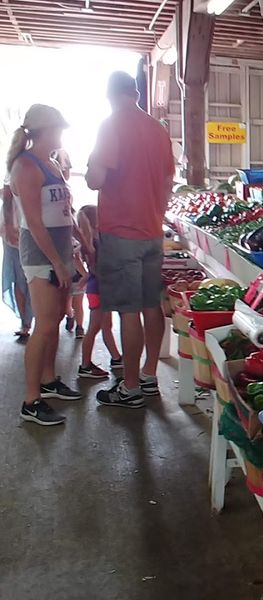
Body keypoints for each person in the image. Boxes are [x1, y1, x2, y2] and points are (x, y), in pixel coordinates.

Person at [86, 71, 173, 409]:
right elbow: (167, 181)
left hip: (121, 233)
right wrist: (156, 213)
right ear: (135, 93)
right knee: (152, 304)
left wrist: (91, 162)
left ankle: (131, 387)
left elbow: (95, 179)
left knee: (128, 311)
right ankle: (150, 376)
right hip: (152, 231)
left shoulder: (111, 125)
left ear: (110, 94)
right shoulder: (158, 129)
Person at [7, 104, 83, 426]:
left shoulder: (51, 163)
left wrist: (80, 244)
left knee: (52, 325)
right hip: (41, 257)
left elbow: (65, 209)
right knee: (46, 325)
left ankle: (49, 380)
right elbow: (35, 223)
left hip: (60, 253)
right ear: (44, 131)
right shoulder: (26, 166)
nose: (62, 134)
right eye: (58, 129)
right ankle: (30, 399)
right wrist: (57, 262)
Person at [76, 205, 122, 379]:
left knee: (105, 325)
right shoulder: (98, 241)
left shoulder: (90, 242)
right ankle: (85, 364)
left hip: (97, 288)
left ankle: (116, 357)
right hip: (100, 288)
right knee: (95, 327)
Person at [2, 175, 33, 338]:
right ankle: (25, 321)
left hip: (30, 231)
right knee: (20, 279)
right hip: (16, 232)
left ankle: (28, 320)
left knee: (31, 279)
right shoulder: (15, 168)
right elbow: (6, 196)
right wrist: (8, 226)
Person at [64, 235, 86, 339]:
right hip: (68, 277)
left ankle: (79, 326)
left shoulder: (74, 242)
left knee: (76, 304)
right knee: (71, 305)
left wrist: (85, 275)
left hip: (75, 277)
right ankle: (71, 316)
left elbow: (77, 259)